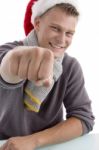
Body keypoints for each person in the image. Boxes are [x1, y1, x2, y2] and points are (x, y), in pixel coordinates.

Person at [0, 0, 95, 150]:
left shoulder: (70, 67)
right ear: (37, 24)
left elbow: (84, 119)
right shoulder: (8, 51)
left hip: (48, 145)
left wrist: (33, 141)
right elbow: (6, 67)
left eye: (69, 33)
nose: (62, 40)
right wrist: (14, 63)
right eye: (55, 28)